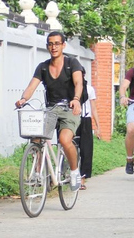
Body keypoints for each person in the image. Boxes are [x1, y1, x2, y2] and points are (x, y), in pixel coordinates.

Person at [15, 31, 83, 192]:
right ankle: (38, 173)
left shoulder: (72, 63)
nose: (54, 47)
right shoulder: (43, 67)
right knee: (36, 137)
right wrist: (23, 99)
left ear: (63, 45)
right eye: (51, 44)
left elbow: (78, 82)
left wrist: (76, 99)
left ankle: (74, 172)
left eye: (57, 43)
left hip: (69, 108)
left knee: (64, 140)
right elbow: (32, 86)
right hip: (50, 109)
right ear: (47, 46)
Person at [76, 68, 101, 190]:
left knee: (86, 150)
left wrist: (97, 126)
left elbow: (94, 108)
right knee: (71, 149)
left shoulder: (90, 89)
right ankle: (70, 175)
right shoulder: (70, 88)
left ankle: (82, 179)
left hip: (85, 120)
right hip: (73, 119)